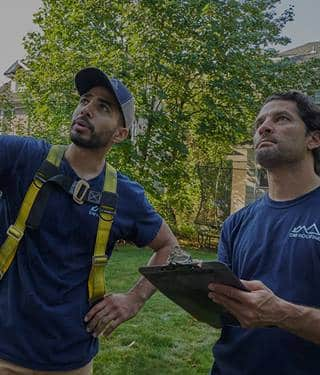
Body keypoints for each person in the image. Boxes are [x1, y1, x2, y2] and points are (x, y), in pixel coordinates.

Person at [0, 67, 178, 374]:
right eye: (85, 99)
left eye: (103, 107)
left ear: (120, 134)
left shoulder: (125, 195)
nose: (87, 109)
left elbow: (169, 247)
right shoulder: (24, 157)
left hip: (71, 360)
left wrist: (134, 299)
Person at [208, 91, 320, 375]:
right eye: (260, 122)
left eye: (281, 118)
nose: (264, 127)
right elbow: (224, 314)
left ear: (313, 139)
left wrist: (282, 313)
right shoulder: (236, 223)